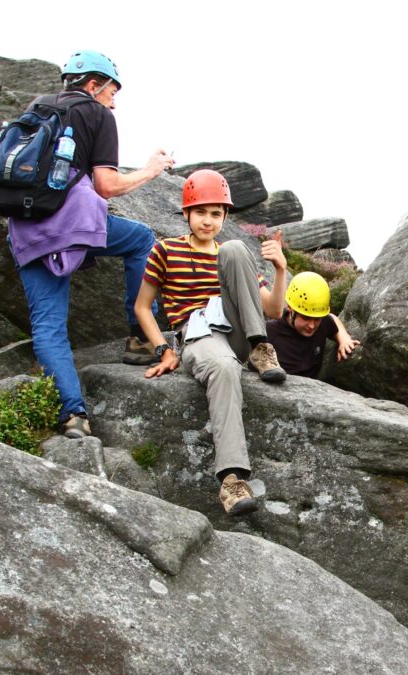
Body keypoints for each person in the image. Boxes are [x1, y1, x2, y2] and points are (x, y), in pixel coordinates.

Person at [9, 50, 175, 440]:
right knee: (141, 239)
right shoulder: (96, 114)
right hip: (73, 226)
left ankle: (73, 416)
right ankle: (139, 336)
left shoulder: (36, 109)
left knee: (48, 327)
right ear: (94, 84)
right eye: (112, 92)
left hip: (26, 230)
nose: (113, 102)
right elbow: (106, 185)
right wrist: (151, 170)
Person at [133, 169, 288, 516]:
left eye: (216, 213)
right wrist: (164, 350)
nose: (208, 220)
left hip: (239, 334)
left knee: (235, 248)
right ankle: (232, 481)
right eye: (200, 212)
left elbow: (274, 310)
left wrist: (280, 269)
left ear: (225, 216)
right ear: (187, 213)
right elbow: (142, 306)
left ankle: (260, 349)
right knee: (223, 367)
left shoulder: (230, 255)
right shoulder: (166, 250)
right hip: (198, 335)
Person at [266, 271, 360, 378]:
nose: (312, 326)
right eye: (306, 318)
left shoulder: (322, 322)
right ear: (290, 308)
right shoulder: (271, 332)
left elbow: (331, 318)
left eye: (317, 319)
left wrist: (344, 338)